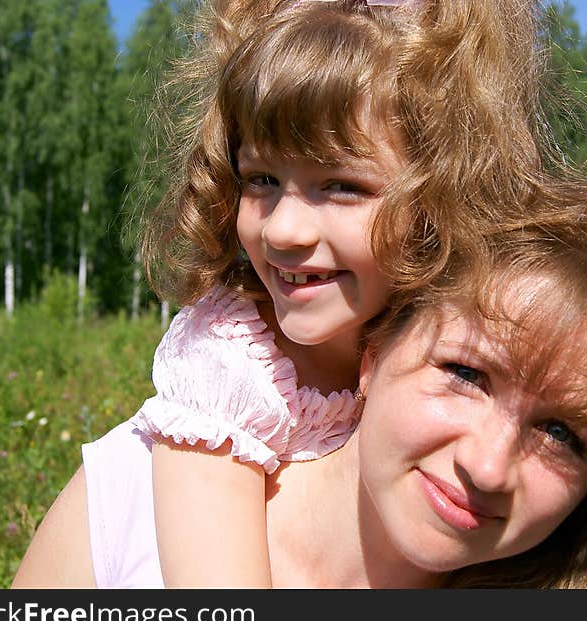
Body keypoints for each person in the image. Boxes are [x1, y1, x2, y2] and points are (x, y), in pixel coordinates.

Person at [10, 198, 587, 588]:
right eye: (466, 373)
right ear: (375, 348)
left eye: (563, 435)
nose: (486, 465)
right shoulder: (130, 499)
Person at [125, 0, 553, 588]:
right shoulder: (228, 366)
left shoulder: (436, 340)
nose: (282, 230)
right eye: (262, 180)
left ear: (440, 199)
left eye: (342, 186)